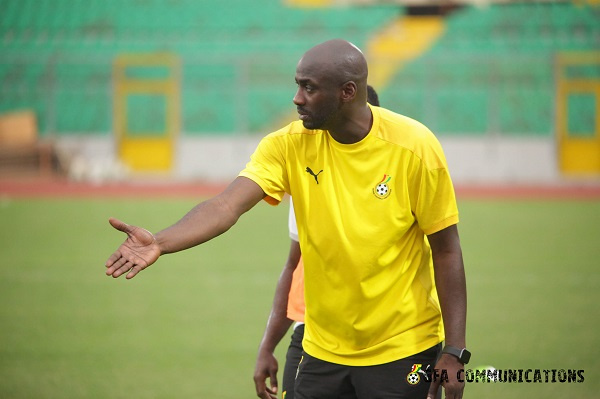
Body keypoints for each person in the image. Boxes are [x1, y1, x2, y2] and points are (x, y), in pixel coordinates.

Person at [105, 39, 467, 399]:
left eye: (309, 87)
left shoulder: (415, 146)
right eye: (297, 85)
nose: (297, 98)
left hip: (403, 349)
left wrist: (453, 350)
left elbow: (447, 251)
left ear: (347, 92)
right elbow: (225, 206)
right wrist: (161, 241)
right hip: (321, 348)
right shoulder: (287, 145)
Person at [253, 85, 381, 399]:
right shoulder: (309, 180)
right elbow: (294, 264)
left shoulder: (400, 175)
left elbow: (438, 261)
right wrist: (268, 346)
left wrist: (449, 350)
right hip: (313, 336)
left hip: (388, 343)